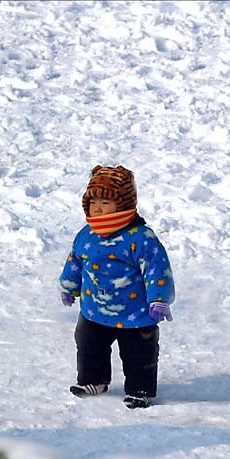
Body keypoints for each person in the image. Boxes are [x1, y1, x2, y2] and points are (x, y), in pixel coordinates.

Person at [59, 165, 175, 409]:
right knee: (89, 346)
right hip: (94, 310)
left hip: (136, 315)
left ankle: (139, 388)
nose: (98, 208)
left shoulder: (140, 237)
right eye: (93, 203)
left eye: (106, 202)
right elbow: (75, 261)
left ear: (123, 204)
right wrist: (69, 286)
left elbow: (156, 267)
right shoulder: (86, 235)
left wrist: (159, 298)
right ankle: (94, 380)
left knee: (139, 355)